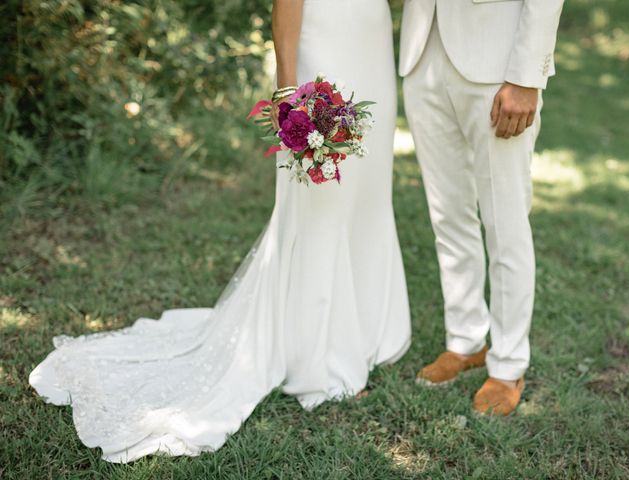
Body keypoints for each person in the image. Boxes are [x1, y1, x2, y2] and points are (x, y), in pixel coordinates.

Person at [28, 0, 411, 462]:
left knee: (367, 198)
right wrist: (288, 92)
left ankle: (366, 332)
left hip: (371, 52)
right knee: (321, 206)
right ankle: (319, 364)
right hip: (324, 59)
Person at [401, 0, 564, 415]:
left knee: (504, 222)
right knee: (448, 215)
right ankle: (466, 339)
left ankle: (508, 364)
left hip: (498, 68)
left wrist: (527, 77)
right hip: (423, 56)